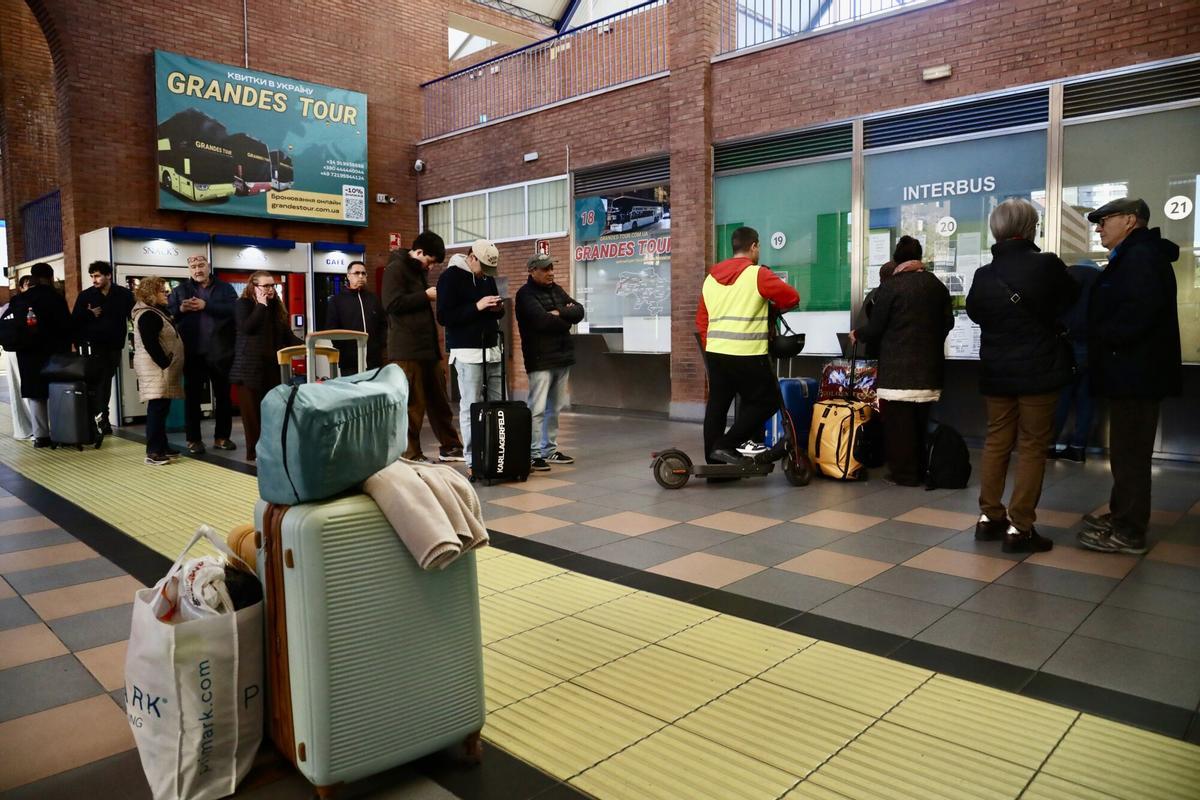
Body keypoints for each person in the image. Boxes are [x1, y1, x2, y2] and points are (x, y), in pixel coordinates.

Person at [966, 198, 1078, 553]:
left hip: (997, 371)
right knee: (1031, 444)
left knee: (997, 439)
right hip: (1039, 370)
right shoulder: (1047, 265)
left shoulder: (984, 275)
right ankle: (1020, 526)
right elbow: (1071, 298)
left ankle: (989, 517)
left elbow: (974, 313)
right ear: (1031, 228)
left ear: (996, 230)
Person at [1078, 198, 1181, 556]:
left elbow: (1136, 316)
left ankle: (1130, 530)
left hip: (1136, 374)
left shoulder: (1140, 258)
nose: (1099, 227)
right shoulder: (1135, 256)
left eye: (1104, 220)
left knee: (1131, 453)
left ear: (1130, 220)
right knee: (1124, 451)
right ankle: (1122, 514)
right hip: (1131, 372)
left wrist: (1102, 338)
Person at [851, 236, 953, 486]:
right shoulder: (936, 286)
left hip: (897, 371)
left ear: (897, 259)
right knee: (920, 423)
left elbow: (875, 328)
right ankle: (919, 469)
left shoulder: (891, 287)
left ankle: (904, 474)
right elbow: (948, 323)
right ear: (919, 257)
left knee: (898, 426)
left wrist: (858, 334)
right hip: (928, 369)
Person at [696, 226, 800, 465]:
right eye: (759, 247)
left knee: (718, 406)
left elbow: (702, 320)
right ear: (753, 246)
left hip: (715, 352)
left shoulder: (710, 278)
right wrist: (770, 306)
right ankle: (725, 445)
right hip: (747, 354)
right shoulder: (757, 275)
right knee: (768, 401)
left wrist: (710, 344)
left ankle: (716, 466)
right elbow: (792, 297)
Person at [382, 231, 464, 463]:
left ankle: (451, 446)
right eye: (429, 261)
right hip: (406, 350)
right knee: (413, 404)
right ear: (418, 252)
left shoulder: (417, 270)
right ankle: (411, 453)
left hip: (426, 348)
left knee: (439, 400)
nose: (429, 267)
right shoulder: (396, 269)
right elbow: (391, 303)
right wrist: (425, 296)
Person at [437, 240, 505, 471]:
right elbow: (444, 316)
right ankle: (474, 459)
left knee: (497, 405)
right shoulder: (450, 277)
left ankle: (499, 455)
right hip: (467, 351)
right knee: (472, 405)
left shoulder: (487, 278)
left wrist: (497, 307)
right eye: (483, 266)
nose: (486, 273)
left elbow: (496, 307)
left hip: (492, 348)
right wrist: (477, 306)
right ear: (472, 257)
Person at [516, 253, 585, 471]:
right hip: (540, 359)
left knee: (554, 408)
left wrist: (559, 313)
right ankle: (533, 453)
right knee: (536, 409)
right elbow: (541, 321)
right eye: (545, 269)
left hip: (562, 357)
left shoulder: (556, 289)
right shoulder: (525, 295)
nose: (551, 273)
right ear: (532, 271)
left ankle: (549, 450)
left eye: (551, 268)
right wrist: (565, 320)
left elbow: (579, 310)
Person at [228, 271, 301, 463]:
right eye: (266, 286)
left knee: (273, 411)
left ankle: (272, 450)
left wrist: (307, 343)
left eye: (273, 286)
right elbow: (247, 327)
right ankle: (254, 452)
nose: (271, 290)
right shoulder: (242, 304)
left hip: (271, 367)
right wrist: (260, 305)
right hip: (248, 368)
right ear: (254, 286)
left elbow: (286, 334)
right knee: (252, 415)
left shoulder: (276, 306)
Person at [168, 253, 237, 455]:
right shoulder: (180, 290)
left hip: (221, 351)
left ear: (209, 266)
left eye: (201, 265)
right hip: (192, 353)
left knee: (223, 397)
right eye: (193, 267)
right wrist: (180, 308)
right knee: (192, 398)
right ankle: (193, 440)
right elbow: (169, 315)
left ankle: (222, 437)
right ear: (189, 270)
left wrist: (207, 306)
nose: (197, 270)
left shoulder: (225, 288)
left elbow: (235, 310)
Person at [8, 263, 71, 447]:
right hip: (55, 353)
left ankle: (41, 436)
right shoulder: (57, 299)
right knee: (56, 391)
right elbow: (67, 327)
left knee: (36, 394)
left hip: (28, 354)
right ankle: (61, 433)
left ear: (33, 277)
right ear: (50, 277)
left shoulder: (20, 299)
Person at [71, 260, 135, 434]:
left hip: (114, 345)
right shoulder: (86, 295)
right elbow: (74, 320)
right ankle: (100, 419)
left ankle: (100, 418)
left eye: (97, 276)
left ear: (108, 276)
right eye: (92, 276)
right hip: (91, 346)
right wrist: (88, 314)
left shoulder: (123, 294)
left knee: (105, 382)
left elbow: (134, 316)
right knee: (96, 382)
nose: (94, 279)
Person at [1048, 259, 1102, 463]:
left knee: (1061, 397)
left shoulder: (1067, 277)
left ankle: (1050, 445)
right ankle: (1078, 447)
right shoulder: (1101, 279)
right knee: (1086, 398)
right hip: (1092, 346)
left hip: (1066, 344)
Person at [131, 276, 184, 466]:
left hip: (160, 369)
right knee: (157, 408)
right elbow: (150, 343)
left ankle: (162, 446)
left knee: (162, 409)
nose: (167, 292)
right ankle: (153, 451)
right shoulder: (148, 315)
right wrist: (165, 363)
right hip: (156, 369)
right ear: (151, 294)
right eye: (163, 290)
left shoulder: (157, 311)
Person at [324, 260, 386, 375]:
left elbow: (383, 324)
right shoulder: (337, 301)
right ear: (348, 276)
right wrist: (345, 349)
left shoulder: (373, 299)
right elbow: (331, 329)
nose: (361, 276)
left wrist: (379, 345)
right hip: (350, 363)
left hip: (373, 361)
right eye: (357, 273)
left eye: (363, 273)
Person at [3, 275, 34, 440]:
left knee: (18, 389)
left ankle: (23, 429)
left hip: (12, 350)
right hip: (22, 351)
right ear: (21, 287)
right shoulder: (25, 305)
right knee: (26, 388)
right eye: (27, 285)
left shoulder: (10, 306)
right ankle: (33, 428)